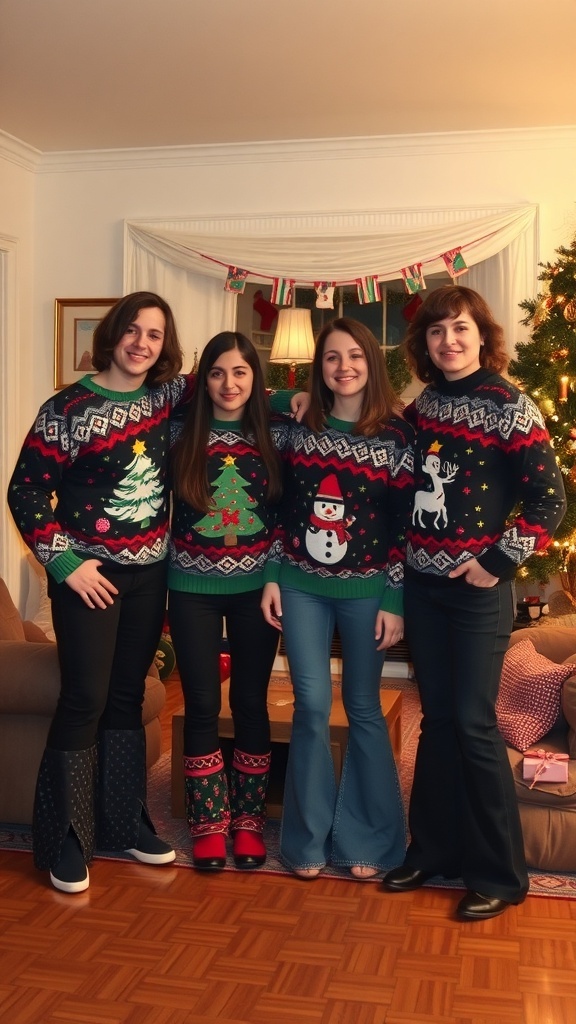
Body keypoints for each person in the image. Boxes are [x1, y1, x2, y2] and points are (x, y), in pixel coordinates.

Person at [382, 285, 567, 920]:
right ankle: (432, 850)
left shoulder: (509, 406)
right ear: (424, 344)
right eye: (436, 333)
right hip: (422, 588)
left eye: (459, 329)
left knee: (473, 723)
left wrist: (495, 562)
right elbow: (389, 470)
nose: (449, 341)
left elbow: (550, 502)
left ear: (481, 334)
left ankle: (500, 875)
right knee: (436, 718)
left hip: (479, 593)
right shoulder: (422, 407)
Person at [7, 291, 189, 893]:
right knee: (83, 698)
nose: (142, 343)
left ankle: (123, 822)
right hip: (88, 581)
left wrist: (290, 396)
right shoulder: (67, 408)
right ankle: (65, 836)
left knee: (126, 698)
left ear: (165, 347)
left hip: (150, 577)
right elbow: (26, 492)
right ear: (112, 335)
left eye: (155, 335)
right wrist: (66, 565)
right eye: (133, 331)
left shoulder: (167, 400)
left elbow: (229, 384)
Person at [261, 317, 414, 879]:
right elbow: (282, 506)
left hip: (368, 591)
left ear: (371, 362)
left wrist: (395, 601)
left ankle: (368, 843)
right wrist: (274, 574)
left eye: (354, 356)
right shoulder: (300, 424)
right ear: (319, 367)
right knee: (311, 707)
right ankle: (304, 843)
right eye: (331, 357)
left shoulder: (396, 436)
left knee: (366, 707)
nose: (343, 366)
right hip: (300, 584)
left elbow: (404, 527)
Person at [168, 331, 283, 871]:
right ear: (203, 378)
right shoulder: (179, 431)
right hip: (190, 589)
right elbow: (172, 387)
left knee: (251, 704)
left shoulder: (274, 433)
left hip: (256, 591)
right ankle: (208, 822)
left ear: (256, 377)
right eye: (217, 372)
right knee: (202, 706)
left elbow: (287, 515)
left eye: (241, 372)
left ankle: (248, 820)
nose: (229, 383)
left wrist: (284, 396)